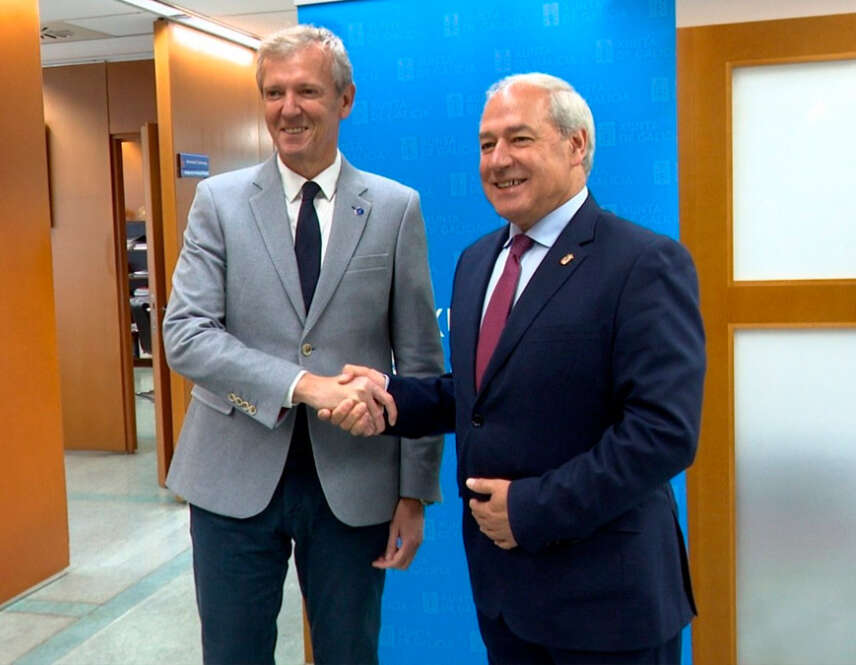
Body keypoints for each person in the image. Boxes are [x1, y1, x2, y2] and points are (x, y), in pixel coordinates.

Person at [323, 73, 705, 664]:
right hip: (506, 599)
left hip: (609, 605)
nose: (498, 160)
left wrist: (532, 510)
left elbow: (663, 433)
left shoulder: (644, 263)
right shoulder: (479, 260)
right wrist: (393, 399)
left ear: (576, 146)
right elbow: (483, 394)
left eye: (519, 139)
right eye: (486, 144)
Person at [161, 24, 444, 665]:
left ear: (345, 100)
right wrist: (303, 386)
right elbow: (185, 336)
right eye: (274, 92)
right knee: (233, 654)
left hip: (354, 483)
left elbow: (422, 365)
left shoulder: (397, 208)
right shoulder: (220, 202)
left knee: (349, 653)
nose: (289, 109)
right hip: (231, 475)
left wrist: (414, 493)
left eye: (308, 91)